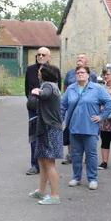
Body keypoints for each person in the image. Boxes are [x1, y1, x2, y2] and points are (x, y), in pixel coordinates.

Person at [61, 66, 111, 190]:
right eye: (77, 72)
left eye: (82, 72)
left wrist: (101, 117)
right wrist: (60, 120)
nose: (80, 74)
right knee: (76, 155)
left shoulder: (96, 88)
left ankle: (93, 178)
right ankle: (76, 177)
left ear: (88, 75)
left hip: (90, 128)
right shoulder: (71, 89)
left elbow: (109, 102)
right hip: (74, 127)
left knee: (91, 155)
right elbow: (62, 105)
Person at [28, 64, 63, 204]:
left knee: (49, 162)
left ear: (46, 73)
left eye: (40, 70)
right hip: (44, 127)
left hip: (50, 129)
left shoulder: (48, 85)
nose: (38, 72)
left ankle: (55, 196)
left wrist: (37, 91)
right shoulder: (49, 84)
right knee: (42, 160)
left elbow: (45, 94)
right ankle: (41, 191)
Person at [24, 47, 60, 175]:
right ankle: (35, 165)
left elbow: (57, 90)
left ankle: (48, 165)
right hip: (34, 108)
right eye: (38, 54)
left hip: (48, 111)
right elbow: (27, 89)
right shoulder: (30, 69)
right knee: (34, 137)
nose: (40, 56)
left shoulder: (54, 70)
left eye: (43, 54)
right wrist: (32, 101)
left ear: (48, 57)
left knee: (48, 137)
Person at [61, 53, 98, 165]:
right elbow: (65, 88)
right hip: (73, 108)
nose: (79, 59)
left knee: (88, 132)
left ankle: (88, 156)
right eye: (78, 58)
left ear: (87, 62)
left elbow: (95, 92)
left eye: (82, 58)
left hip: (87, 109)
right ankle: (71, 154)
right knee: (71, 130)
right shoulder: (70, 74)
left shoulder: (92, 75)